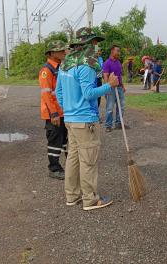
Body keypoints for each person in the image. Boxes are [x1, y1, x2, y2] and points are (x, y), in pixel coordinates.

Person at [56, 40, 119, 211]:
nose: (98, 47)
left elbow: (59, 92)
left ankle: (72, 196)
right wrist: (109, 85)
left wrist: (69, 109)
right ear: (88, 45)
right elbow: (89, 93)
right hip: (85, 120)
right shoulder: (86, 65)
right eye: (96, 43)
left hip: (70, 119)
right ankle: (90, 200)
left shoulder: (65, 65)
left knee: (73, 158)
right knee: (88, 160)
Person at [39, 40, 68, 180]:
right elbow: (46, 94)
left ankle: (71, 166)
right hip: (53, 113)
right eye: (61, 50)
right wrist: (54, 113)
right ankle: (54, 168)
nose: (64, 52)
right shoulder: (47, 70)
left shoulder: (60, 67)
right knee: (55, 141)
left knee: (64, 140)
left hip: (63, 111)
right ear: (52, 53)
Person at [103, 45, 127, 132]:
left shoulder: (118, 62)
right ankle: (108, 125)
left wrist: (123, 85)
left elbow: (119, 75)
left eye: (119, 51)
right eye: (117, 51)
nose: (119, 53)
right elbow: (105, 76)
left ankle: (118, 123)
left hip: (119, 87)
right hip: (111, 88)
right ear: (112, 51)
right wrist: (106, 88)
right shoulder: (107, 63)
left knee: (121, 106)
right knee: (109, 108)